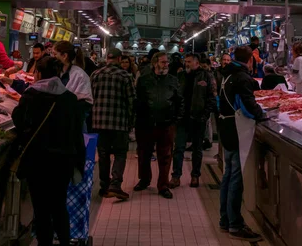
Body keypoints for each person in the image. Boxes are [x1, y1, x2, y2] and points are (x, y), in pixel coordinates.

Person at [12, 57, 85, 246]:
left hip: (38, 161)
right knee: (59, 206)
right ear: (59, 74)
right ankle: (64, 242)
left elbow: (19, 122)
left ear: (38, 74)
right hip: (63, 162)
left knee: (41, 209)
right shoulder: (69, 98)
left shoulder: (30, 96)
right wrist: (80, 163)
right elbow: (77, 133)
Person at [218, 46, 263, 243]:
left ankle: (225, 219)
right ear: (251, 59)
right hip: (237, 130)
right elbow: (247, 107)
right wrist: (262, 114)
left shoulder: (226, 74)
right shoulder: (242, 77)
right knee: (236, 176)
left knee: (228, 174)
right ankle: (235, 224)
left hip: (226, 127)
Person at [134, 51, 184, 199]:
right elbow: (138, 101)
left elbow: (179, 101)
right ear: (155, 63)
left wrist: (176, 119)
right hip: (146, 124)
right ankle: (144, 180)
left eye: (167, 62)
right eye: (163, 62)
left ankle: (163, 185)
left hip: (166, 124)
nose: (166, 64)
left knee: (165, 156)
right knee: (144, 154)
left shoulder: (173, 81)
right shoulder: (144, 80)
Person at [91, 47, 136, 200]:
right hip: (119, 122)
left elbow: (91, 98)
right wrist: (131, 121)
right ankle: (115, 185)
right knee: (120, 153)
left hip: (99, 122)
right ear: (118, 59)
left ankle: (104, 187)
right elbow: (131, 101)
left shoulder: (95, 75)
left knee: (103, 155)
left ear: (107, 58)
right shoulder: (125, 76)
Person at [169, 53, 216, 189]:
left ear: (197, 63)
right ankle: (176, 176)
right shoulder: (181, 76)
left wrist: (205, 115)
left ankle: (195, 175)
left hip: (198, 118)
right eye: (186, 61)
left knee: (197, 149)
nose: (186, 64)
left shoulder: (206, 76)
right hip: (182, 118)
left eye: (189, 62)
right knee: (178, 148)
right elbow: (175, 96)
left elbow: (211, 97)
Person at [200, 57, 216, 149]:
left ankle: (208, 140)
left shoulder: (210, 75)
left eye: (205, 66)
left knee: (207, 121)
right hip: (205, 101)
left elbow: (213, 90)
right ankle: (207, 140)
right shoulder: (204, 75)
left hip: (208, 102)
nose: (203, 68)